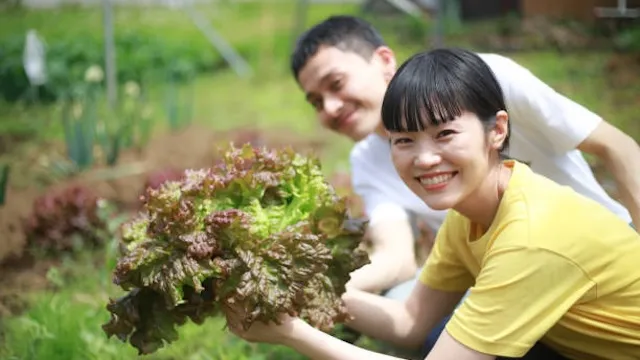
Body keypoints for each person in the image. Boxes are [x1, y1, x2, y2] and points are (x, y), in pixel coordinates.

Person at [227, 47, 640, 360]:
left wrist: (291, 333)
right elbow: (409, 321)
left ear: (497, 130)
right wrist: (294, 289)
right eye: (404, 141)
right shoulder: (473, 213)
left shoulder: (531, 236)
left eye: (444, 135)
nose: (424, 159)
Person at [289, 15, 640, 299]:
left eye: (335, 84)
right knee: (402, 299)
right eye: (316, 102)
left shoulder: (485, 80)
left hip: (598, 252)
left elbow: (618, 146)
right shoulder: (367, 160)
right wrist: (320, 289)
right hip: (504, 279)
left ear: (383, 60)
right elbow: (396, 257)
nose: (330, 108)